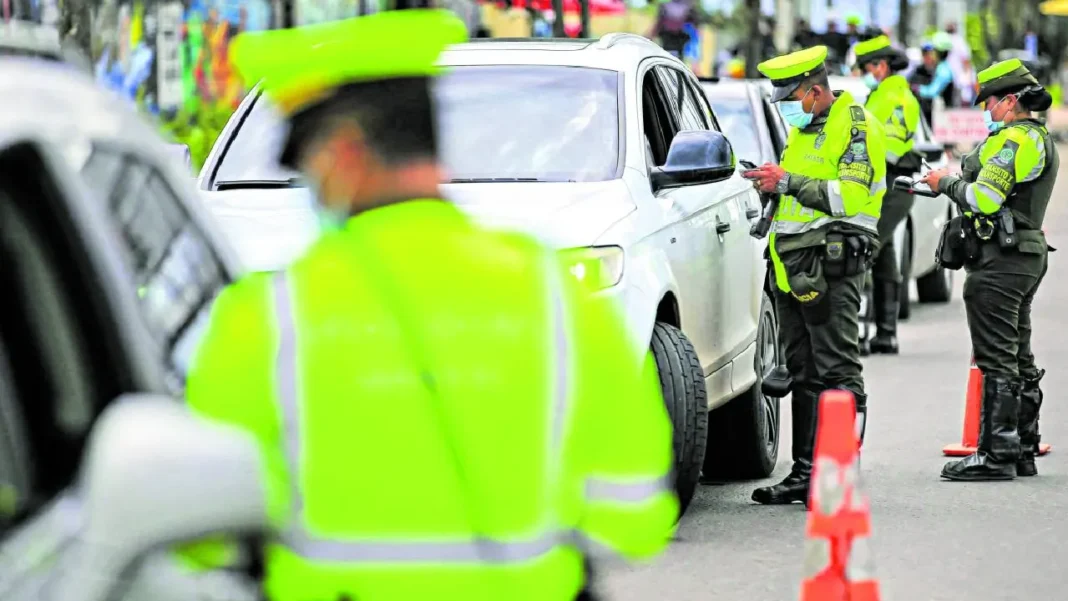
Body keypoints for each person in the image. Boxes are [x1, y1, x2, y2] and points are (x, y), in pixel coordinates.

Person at [180, 9, 679, 600]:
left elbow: (199, 535)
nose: (310, 183)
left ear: (344, 151)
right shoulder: (552, 293)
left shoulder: (264, 313)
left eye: (305, 162)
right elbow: (637, 515)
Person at [743, 45, 885, 504]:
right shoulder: (805, 132)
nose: (786, 111)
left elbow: (850, 196)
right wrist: (772, 186)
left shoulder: (856, 125)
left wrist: (786, 181)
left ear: (815, 92)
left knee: (838, 372)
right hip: (795, 270)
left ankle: (840, 476)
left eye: (790, 101)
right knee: (803, 373)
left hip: (832, 268)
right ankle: (805, 475)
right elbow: (797, 196)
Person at [921, 59, 1058, 481]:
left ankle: (997, 454)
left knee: (997, 356)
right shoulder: (1035, 137)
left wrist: (943, 183)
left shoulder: (1015, 140)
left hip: (1002, 260)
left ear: (1011, 101)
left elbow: (984, 198)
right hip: (1021, 255)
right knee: (1016, 350)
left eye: (991, 102)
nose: (987, 110)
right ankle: (1022, 447)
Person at [855, 36, 922, 354]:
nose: (863, 74)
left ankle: (861, 331)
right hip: (888, 184)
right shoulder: (884, 94)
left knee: (866, 248)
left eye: (866, 68)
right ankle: (885, 334)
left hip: (890, 183)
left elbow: (889, 149)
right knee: (883, 254)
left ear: (880, 66)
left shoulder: (893, 97)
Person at [915, 33, 956, 123]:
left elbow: (933, 91)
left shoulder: (944, 71)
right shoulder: (941, 67)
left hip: (945, 117)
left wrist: (917, 88)